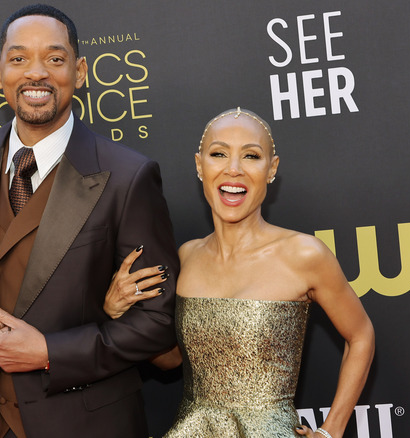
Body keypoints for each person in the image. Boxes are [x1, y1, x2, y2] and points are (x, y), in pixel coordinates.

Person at [0, 4, 178, 438]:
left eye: (55, 58)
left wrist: (50, 351)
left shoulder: (127, 176)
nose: (36, 73)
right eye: (18, 58)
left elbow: (158, 324)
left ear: (80, 71)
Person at [105, 107, 375, 437]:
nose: (234, 170)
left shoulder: (304, 254)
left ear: (271, 168)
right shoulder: (185, 257)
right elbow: (171, 359)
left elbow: (360, 335)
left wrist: (331, 430)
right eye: (219, 154)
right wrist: (122, 316)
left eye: (251, 156)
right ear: (199, 166)